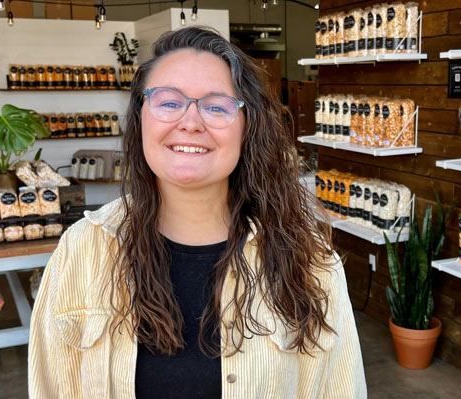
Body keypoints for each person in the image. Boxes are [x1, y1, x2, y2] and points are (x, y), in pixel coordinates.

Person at [29, 26, 366, 399]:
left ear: (246, 127)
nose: (190, 122)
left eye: (217, 106)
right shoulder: (81, 250)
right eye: (169, 102)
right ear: (141, 116)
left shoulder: (310, 261)